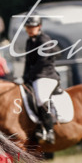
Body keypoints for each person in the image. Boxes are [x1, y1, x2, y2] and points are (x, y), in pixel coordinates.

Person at [22, 15, 60, 145]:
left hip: (47, 76)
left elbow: (41, 62)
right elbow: (28, 62)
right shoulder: (29, 41)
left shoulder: (45, 40)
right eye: (28, 27)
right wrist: (24, 77)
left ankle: (49, 130)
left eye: (32, 27)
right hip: (35, 76)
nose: (30, 29)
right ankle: (37, 126)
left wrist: (29, 75)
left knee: (40, 97)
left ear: (39, 26)